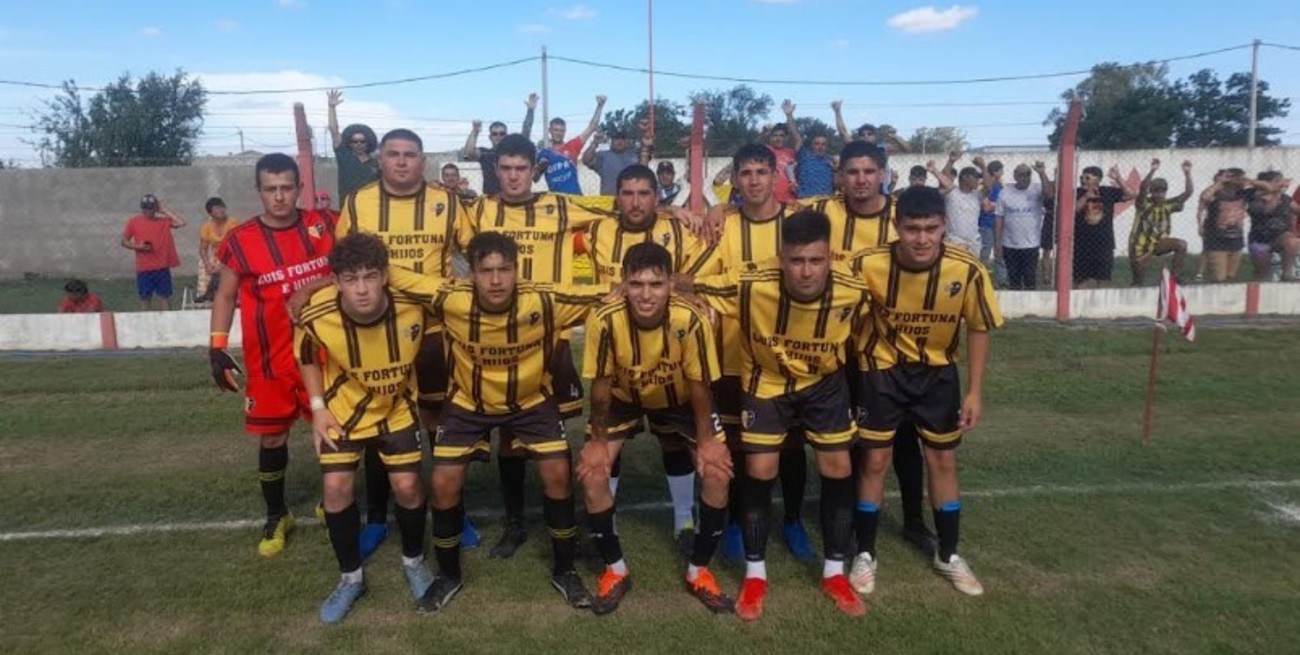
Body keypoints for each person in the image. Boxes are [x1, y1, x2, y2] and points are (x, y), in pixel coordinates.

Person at [385, 232, 610, 614]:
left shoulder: (543, 299)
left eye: (504, 270)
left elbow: (610, 292)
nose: (495, 280)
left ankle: (565, 570)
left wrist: (678, 293)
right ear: (470, 273)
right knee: (442, 482)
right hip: (468, 403)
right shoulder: (450, 298)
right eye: (486, 270)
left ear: (516, 270)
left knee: (558, 473)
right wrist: (320, 283)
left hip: (531, 401)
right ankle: (449, 575)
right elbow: (390, 272)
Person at [693, 209, 869, 621]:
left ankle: (834, 572)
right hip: (766, 381)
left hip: (824, 383)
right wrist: (625, 290)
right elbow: (692, 284)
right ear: (780, 257)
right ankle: (755, 575)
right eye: (796, 260)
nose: (805, 271)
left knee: (838, 465)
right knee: (760, 467)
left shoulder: (854, 289)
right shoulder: (750, 284)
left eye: (815, 260)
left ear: (831, 257)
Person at [460, 133, 620, 559]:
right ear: (497, 170)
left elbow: (618, 212)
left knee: (554, 431)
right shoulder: (479, 210)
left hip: (553, 335)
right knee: (510, 438)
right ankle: (514, 524)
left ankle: (567, 517)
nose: (513, 176)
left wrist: (679, 208)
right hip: (502, 335)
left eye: (521, 169)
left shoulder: (561, 206)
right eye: (506, 168)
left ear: (535, 171)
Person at [850, 185, 1003, 599]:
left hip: (937, 375)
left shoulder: (966, 269)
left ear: (944, 227)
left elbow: (978, 326)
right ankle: (865, 553)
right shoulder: (866, 264)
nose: (921, 238)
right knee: (875, 461)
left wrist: (974, 392)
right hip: (881, 373)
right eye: (912, 228)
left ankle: (948, 554)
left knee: (943, 460)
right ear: (896, 227)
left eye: (930, 229)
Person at [335, 128, 479, 557]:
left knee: (439, 422)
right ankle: (377, 518)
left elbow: (475, 252)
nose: (401, 162)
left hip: (433, 332)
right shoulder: (359, 202)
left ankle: (454, 512)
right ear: (380, 159)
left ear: (423, 161)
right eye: (393, 154)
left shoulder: (446, 202)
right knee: (379, 422)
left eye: (410, 155)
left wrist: (466, 294)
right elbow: (342, 262)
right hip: (375, 332)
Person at [578, 242, 735, 614]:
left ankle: (699, 571)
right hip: (622, 396)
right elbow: (599, 387)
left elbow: (699, 385)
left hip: (680, 398)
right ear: (623, 284)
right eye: (637, 284)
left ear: (670, 284)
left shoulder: (690, 318)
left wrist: (708, 441)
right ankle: (615, 570)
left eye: (656, 284)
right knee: (593, 473)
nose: (646, 294)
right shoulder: (604, 318)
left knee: (717, 472)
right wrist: (598, 441)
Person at [294, 233, 434, 624]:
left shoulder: (414, 306)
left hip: (397, 409)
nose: (361, 289)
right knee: (336, 490)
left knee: (407, 487)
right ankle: (350, 578)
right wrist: (318, 409)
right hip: (343, 411)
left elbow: (456, 297)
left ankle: (414, 562)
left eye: (370, 277)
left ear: (386, 276)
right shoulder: (316, 312)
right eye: (350, 279)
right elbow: (306, 357)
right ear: (335, 281)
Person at [579, 164, 718, 552]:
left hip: (667, 356)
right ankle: (609, 518)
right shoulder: (596, 229)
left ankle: (682, 518)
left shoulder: (679, 229)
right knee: (609, 444)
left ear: (657, 196)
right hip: (619, 357)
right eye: (627, 193)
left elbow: (693, 276)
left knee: (674, 443)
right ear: (616, 197)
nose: (635, 201)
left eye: (644, 193)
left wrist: (673, 287)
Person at [805, 141, 935, 555]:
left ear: (883, 173)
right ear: (839, 175)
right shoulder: (822, 211)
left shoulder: (903, 215)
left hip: (893, 351)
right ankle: (852, 524)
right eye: (852, 172)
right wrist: (717, 209)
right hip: (840, 348)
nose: (860, 179)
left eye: (868, 171)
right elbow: (766, 212)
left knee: (905, 439)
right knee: (851, 440)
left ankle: (914, 520)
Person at [691, 143, 814, 565]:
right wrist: (714, 210)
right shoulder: (723, 227)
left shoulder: (798, 221)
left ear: (776, 175)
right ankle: (737, 523)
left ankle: (793, 519)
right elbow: (697, 281)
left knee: (793, 445)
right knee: (740, 445)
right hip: (732, 356)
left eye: (763, 171)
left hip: (788, 355)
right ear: (736, 180)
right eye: (746, 173)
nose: (755, 180)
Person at [208, 153, 337, 557]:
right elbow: (226, 294)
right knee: (272, 436)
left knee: (331, 429)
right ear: (259, 191)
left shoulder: (326, 224)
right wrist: (216, 346)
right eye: (270, 189)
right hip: (268, 359)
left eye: (286, 188)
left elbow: (349, 269)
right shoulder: (241, 239)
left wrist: (312, 285)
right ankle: (277, 513)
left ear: (299, 188)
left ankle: (332, 500)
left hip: (325, 353)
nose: (279, 197)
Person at [1129, 159, 1194, 286]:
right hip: (1139, 245)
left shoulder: (1168, 204)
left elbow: (1188, 193)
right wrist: (1152, 170)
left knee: (1181, 245)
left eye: (1162, 191)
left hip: (1159, 242)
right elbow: (1142, 188)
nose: (1159, 194)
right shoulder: (1143, 204)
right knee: (1138, 281)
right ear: (1151, 192)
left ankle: (1175, 278)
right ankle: (1136, 289)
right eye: (1156, 191)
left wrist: (1187, 173)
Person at [461, 93, 538, 196]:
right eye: (495, 134)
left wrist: (530, 111)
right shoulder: (486, 153)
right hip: (492, 200)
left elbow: (526, 132)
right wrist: (475, 132)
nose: (498, 136)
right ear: (490, 137)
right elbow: (469, 152)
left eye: (502, 133)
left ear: (506, 135)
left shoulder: (515, 153)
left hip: (513, 197)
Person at [995, 162, 1056, 290]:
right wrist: (998, 242)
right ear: (1015, 176)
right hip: (1009, 244)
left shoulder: (1036, 189)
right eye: (1021, 175)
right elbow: (999, 217)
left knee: (1029, 278)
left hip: (1031, 244)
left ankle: (1030, 305)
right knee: (1014, 279)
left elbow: (1049, 194)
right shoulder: (1005, 192)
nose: (1025, 178)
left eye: (1028, 175)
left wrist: (1041, 173)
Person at [1074, 165, 1135, 288]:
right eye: (1081, 177)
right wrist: (1086, 197)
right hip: (1082, 243)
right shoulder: (1077, 192)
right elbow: (1073, 210)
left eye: (1087, 177)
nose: (1083, 180)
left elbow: (1131, 195)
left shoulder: (1107, 191)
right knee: (1081, 280)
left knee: (1104, 278)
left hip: (1104, 242)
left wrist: (1118, 179)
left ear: (1097, 180)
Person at [120, 193, 185, 311]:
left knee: (164, 297)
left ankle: (167, 322)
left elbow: (181, 222)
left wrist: (163, 210)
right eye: (145, 208)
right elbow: (124, 241)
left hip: (162, 266)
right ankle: (145, 321)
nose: (148, 211)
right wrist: (138, 247)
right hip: (144, 267)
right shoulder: (134, 222)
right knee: (145, 297)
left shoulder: (163, 221)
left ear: (155, 208)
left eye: (151, 208)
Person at [536, 95, 606, 195]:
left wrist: (600, 106)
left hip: (575, 198)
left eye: (562, 130)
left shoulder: (572, 146)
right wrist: (539, 168)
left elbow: (592, 127)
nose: (559, 133)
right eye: (556, 130)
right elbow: (535, 179)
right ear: (549, 130)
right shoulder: (543, 153)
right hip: (558, 201)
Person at [327, 90, 379, 201]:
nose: (359, 144)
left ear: (368, 142)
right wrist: (331, 108)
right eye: (355, 141)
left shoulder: (376, 164)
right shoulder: (345, 158)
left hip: (370, 209)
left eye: (362, 141)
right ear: (350, 143)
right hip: (347, 208)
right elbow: (334, 131)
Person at [1246, 171, 1299, 282]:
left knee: (1292, 240)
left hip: (1280, 236)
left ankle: (1287, 273)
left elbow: (1297, 209)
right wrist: (1276, 195)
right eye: (1279, 181)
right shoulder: (1255, 198)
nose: (1284, 183)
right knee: (1263, 275)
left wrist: (1278, 194)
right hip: (1260, 239)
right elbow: (1267, 211)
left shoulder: (1284, 198)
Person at [582, 123, 651, 196]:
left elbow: (644, 170)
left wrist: (645, 141)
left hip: (631, 200)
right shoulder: (603, 155)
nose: (620, 141)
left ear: (626, 140)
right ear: (611, 141)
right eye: (616, 138)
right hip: (609, 200)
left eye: (622, 138)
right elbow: (586, 160)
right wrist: (594, 143)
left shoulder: (635, 153)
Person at [197, 197, 239, 303]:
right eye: (217, 208)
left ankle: (233, 297)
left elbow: (237, 247)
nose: (221, 210)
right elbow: (203, 248)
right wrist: (207, 264)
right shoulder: (206, 226)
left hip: (233, 255)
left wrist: (221, 266)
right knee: (203, 264)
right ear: (210, 213)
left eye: (222, 207)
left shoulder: (233, 223)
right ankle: (205, 293)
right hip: (217, 256)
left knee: (226, 267)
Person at [758, 100, 799, 203]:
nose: (778, 138)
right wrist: (763, 133)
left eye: (781, 136)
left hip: (790, 200)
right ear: (770, 138)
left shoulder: (792, 152)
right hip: (770, 201)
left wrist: (789, 115)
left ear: (786, 138)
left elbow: (797, 138)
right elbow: (754, 146)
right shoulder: (765, 151)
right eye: (775, 136)